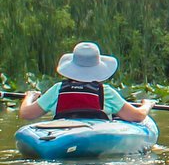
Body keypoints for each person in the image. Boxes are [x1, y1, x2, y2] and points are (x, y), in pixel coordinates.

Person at [18, 41, 154, 123]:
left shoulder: (58, 89)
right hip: (96, 135)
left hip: (63, 133)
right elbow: (138, 116)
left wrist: (29, 96)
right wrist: (146, 105)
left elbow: (26, 114)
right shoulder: (105, 92)